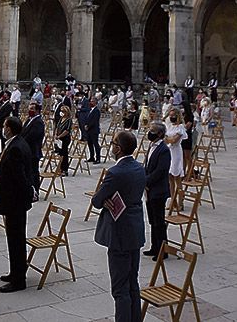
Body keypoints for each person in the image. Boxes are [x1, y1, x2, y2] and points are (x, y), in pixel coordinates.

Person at [92, 131, 146, 322]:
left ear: (118, 148)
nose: (111, 145)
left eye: (113, 143)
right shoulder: (140, 167)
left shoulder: (115, 172)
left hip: (119, 232)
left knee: (120, 288)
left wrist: (103, 197)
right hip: (135, 228)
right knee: (132, 282)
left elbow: (97, 200)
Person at [0, 116, 35, 292]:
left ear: (10, 129)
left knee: (16, 240)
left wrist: (29, 192)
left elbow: (20, 177)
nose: (2, 128)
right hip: (16, 201)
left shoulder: (16, 149)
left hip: (15, 202)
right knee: (14, 239)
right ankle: (15, 271)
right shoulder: (18, 142)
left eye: (4, 126)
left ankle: (19, 280)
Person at [142, 122, 171, 260]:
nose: (150, 132)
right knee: (152, 220)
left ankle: (163, 250)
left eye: (152, 130)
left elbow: (160, 171)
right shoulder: (151, 146)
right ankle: (154, 247)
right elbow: (147, 165)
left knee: (159, 221)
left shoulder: (164, 150)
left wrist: (146, 181)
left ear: (159, 134)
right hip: (149, 190)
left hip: (158, 190)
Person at [165, 110, 187, 211]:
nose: (171, 117)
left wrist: (169, 139)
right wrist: (169, 139)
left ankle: (180, 202)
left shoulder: (180, 127)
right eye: (170, 116)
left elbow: (175, 140)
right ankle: (172, 201)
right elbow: (165, 138)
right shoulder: (170, 126)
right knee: (170, 178)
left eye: (173, 115)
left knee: (177, 177)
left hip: (176, 152)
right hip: (169, 151)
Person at [22, 102, 46, 194]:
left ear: (37, 111)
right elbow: (23, 131)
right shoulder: (29, 120)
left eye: (32, 109)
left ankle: (35, 191)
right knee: (28, 172)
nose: (30, 111)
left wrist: (23, 141)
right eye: (29, 108)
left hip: (33, 151)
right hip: (27, 150)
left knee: (33, 173)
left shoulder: (39, 122)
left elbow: (32, 136)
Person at [55, 105, 73, 175]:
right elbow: (58, 126)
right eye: (61, 111)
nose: (61, 112)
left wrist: (60, 136)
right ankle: (60, 168)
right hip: (59, 138)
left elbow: (67, 130)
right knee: (60, 153)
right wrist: (56, 134)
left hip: (65, 138)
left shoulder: (69, 120)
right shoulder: (61, 118)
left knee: (64, 154)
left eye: (63, 111)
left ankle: (65, 169)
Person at [86, 97, 103, 164]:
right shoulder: (90, 110)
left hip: (94, 130)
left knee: (95, 144)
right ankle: (91, 157)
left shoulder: (96, 111)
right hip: (89, 130)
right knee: (90, 144)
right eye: (90, 101)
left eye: (92, 101)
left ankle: (98, 158)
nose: (91, 102)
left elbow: (94, 121)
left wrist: (88, 126)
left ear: (95, 102)